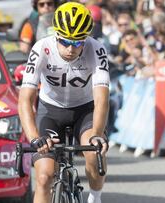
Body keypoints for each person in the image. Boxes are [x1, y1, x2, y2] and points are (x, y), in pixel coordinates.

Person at [18, 2, 110, 203]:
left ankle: (95, 197)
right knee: (44, 176)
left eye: (77, 43)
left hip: (85, 110)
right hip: (50, 111)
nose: (70, 49)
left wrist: (97, 135)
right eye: (65, 41)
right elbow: (25, 99)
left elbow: (102, 98)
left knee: (94, 155)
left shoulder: (96, 49)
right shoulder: (41, 47)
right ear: (56, 35)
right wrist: (34, 138)